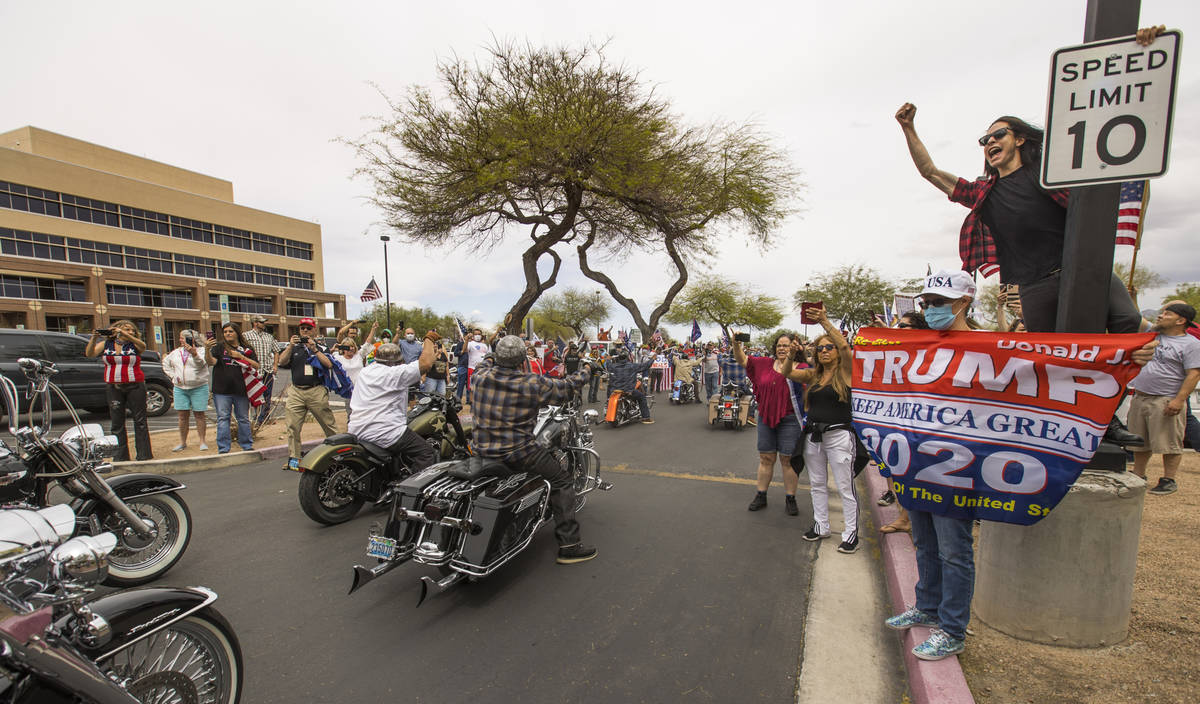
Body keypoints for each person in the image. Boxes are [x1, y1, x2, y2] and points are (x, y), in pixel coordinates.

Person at [882, 270, 1157, 661]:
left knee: (953, 550)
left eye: (939, 303)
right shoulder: (920, 343)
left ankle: (952, 628)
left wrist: (1132, 353)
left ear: (964, 303)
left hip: (960, 466)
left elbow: (1059, 364)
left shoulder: (994, 346)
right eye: (926, 303)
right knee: (924, 541)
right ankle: (926, 605)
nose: (931, 310)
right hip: (919, 459)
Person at [470, 335, 597, 564]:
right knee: (562, 480)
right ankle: (570, 545)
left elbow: (483, 363)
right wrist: (587, 368)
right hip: (518, 452)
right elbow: (567, 388)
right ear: (522, 360)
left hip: (481, 449)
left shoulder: (479, 377)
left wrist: (491, 356)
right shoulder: (531, 383)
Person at [779, 306, 859, 551]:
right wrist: (792, 354)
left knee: (845, 486)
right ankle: (821, 525)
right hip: (813, 436)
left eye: (828, 347)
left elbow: (845, 347)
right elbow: (786, 372)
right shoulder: (813, 374)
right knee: (817, 483)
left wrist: (824, 321)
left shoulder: (846, 372)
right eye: (819, 348)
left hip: (838, 435)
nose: (824, 351)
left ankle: (850, 533)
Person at [1126, 302, 1200, 495]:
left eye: (1167, 313)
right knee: (1140, 439)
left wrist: (1179, 400)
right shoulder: (1153, 332)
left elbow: (1194, 374)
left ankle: (1169, 479)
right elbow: (1135, 317)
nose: (1161, 315)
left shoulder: (1191, 344)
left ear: (1181, 320)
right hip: (1142, 396)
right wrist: (1131, 297)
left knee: (1169, 442)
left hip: (1165, 398)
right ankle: (1139, 474)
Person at [735, 331, 804, 516]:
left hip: (790, 420)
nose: (782, 348)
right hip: (766, 417)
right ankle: (761, 495)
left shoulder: (803, 368)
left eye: (786, 345)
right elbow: (743, 360)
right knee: (766, 458)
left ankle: (790, 498)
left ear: (794, 347)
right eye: (779, 345)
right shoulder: (764, 363)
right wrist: (736, 344)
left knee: (787, 460)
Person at [348, 338, 439, 472]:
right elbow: (425, 364)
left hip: (357, 429)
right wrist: (429, 339)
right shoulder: (394, 373)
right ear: (398, 361)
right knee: (427, 453)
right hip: (385, 432)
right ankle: (412, 491)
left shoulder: (365, 371)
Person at [877, 311, 930, 534]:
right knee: (901, 472)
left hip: (922, 429)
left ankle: (908, 518)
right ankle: (905, 516)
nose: (900, 330)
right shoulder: (898, 356)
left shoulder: (928, 356)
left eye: (904, 326)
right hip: (901, 425)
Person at [84, 320, 152, 462]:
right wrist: (94, 338)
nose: (131, 331)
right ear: (116, 330)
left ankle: (144, 454)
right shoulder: (106, 344)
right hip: (114, 386)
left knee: (140, 421)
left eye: (132, 330)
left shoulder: (135, 344)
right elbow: (90, 353)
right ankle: (120, 456)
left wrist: (127, 336)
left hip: (135, 385)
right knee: (117, 422)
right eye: (127, 329)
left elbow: (143, 346)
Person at [278, 316, 339, 470]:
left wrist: (314, 349)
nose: (305, 331)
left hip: (316, 390)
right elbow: (282, 361)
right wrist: (290, 346)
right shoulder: (294, 347)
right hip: (297, 391)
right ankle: (294, 460)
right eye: (302, 328)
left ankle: (339, 455)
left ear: (314, 330)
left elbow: (328, 364)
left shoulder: (320, 347)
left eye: (308, 328)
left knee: (329, 425)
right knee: (292, 427)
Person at [205, 322, 260, 454]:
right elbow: (211, 362)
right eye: (225, 332)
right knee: (223, 418)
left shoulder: (246, 348)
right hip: (222, 390)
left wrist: (241, 357)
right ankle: (223, 448)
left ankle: (246, 445)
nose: (227, 334)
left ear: (237, 333)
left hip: (241, 390)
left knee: (243, 418)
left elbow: (256, 365)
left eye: (230, 331)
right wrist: (207, 350)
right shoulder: (219, 347)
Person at [162, 329, 210, 452]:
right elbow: (165, 363)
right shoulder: (176, 352)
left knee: (199, 414)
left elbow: (201, 365)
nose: (180, 340)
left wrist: (194, 354)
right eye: (180, 338)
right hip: (180, 388)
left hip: (198, 387)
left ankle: (202, 441)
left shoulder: (201, 351)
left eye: (183, 338)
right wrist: (173, 376)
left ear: (192, 339)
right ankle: (183, 442)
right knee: (182, 416)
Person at [242, 315, 278, 425]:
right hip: (253, 371)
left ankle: (265, 417)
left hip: (267, 369)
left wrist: (275, 365)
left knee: (267, 395)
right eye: (262, 322)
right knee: (255, 394)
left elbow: (276, 351)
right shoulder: (246, 336)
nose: (264, 324)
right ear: (255, 323)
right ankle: (256, 417)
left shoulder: (269, 337)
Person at [606, 349, 654, 424]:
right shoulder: (632, 366)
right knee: (642, 397)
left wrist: (608, 359)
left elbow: (608, 365)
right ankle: (646, 417)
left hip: (615, 390)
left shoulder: (613, 366)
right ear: (627, 357)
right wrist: (653, 359)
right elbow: (645, 366)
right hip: (628, 390)